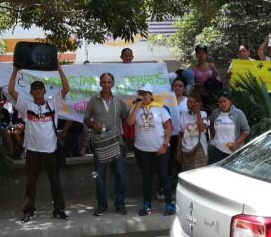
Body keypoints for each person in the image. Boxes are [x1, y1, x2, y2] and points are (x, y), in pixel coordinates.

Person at [8, 64, 70, 222]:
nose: (37, 91)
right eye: (34, 89)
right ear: (31, 92)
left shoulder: (53, 104)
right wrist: (15, 70)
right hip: (32, 151)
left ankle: (59, 209)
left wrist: (59, 69)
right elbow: (11, 90)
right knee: (31, 183)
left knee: (55, 182)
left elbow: (66, 88)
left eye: (40, 88)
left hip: (50, 150)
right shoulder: (26, 105)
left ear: (44, 91)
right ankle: (28, 211)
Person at [83, 72, 130, 216]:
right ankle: (102, 206)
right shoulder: (93, 100)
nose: (106, 85)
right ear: (100, 84)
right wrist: (93, 125)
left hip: (117, 143)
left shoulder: (119, 101)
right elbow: (86, 119)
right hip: (100, 144)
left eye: (109, 82)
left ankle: (120, 204)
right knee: (100, 176)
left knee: (120, 174)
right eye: (104, 82)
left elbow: (127, 119)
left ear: (113, 84)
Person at [126, 84, 174, 216]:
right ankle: (147, 204)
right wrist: (136, 106)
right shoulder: (136, 109)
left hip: (160, 149)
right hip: (142, 149)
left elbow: (168, 128)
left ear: (151, 95)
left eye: (145, 93)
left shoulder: (161, 108)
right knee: (146, 177)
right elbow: (129, 123)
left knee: (163, 176)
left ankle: (169, 204)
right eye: (140, 93)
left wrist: (165, 145)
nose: (143, 96)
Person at [209, 92, 250, 164]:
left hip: (233, 151)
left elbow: (246, 130)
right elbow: (211, 126)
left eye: (225, 101)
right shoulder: (215, 113)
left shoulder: (238, 113)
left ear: (230, 101)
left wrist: (236, 144)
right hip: (217, 150)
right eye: (220, 102)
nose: (223, 104)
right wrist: (213, 139)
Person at [177, 93, 209, 171]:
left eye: (192, 102)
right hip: (185, 149)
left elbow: (202, 129)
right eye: (188, 102)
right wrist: (178, 150)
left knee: (199, 173)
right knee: (188, 172)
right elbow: (181, 134)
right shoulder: (183, 115)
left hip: (199, 148)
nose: (190, 104)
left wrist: (198, 112)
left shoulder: (203, 114)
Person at [190, 44, 221, 109]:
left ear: (206, 54)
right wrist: (201, 84)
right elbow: (191, 85)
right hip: (200, 97)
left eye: (203, 53)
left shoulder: (211, 66)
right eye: (199, 53)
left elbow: (218, 79)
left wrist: (212, 83)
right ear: (196, 55)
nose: (201, 55)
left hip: (212, 95)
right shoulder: (193, 69)